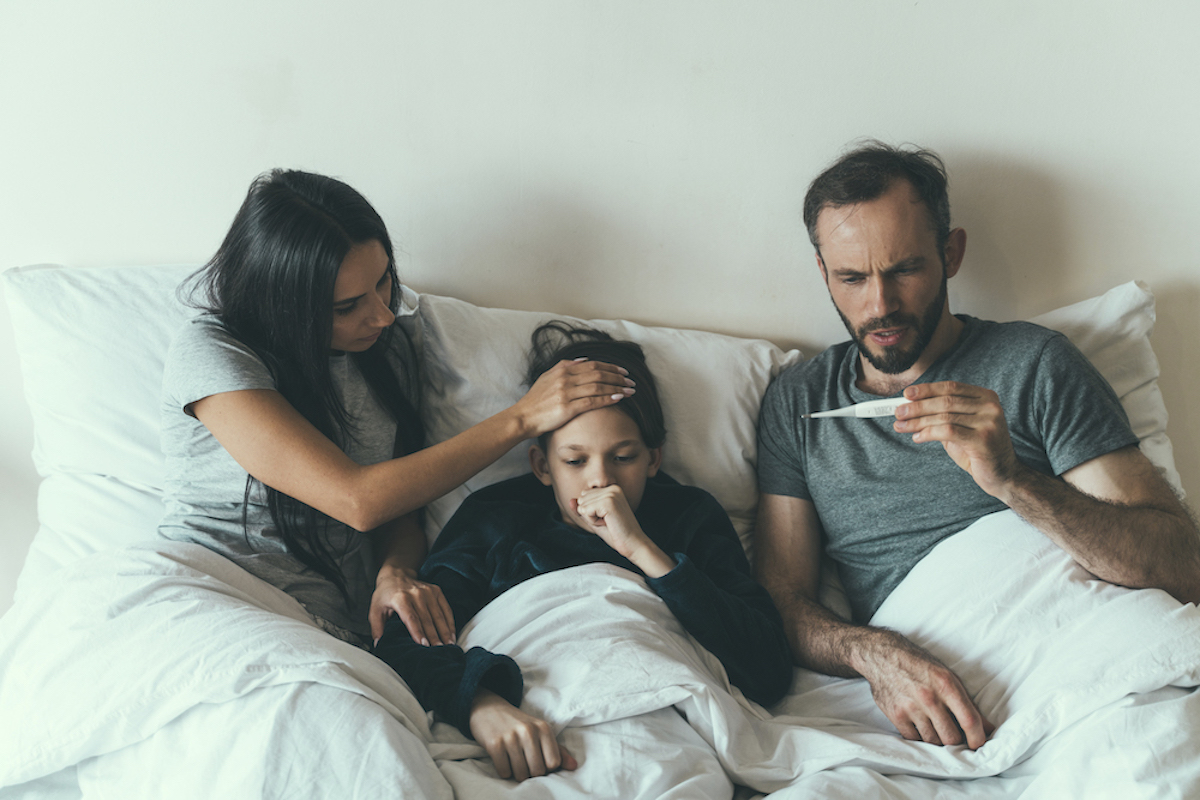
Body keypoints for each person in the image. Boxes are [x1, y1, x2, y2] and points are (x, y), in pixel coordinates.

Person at [754, 142, 1200, 752]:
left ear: (951, 252)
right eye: (852, 278)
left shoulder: (1034, 363)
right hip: (948, 690)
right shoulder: (798, 405)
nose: (879, 305)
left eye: (904, 269)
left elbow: (1182, 566)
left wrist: (1014, 481)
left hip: (1099, 648)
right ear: (823, 272)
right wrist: (872, 653)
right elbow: (780, 599)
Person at [159, 169, 635, 650]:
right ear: (284, 304)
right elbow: (358, 500)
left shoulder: (388, 348)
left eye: (384, 280)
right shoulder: (213, 353)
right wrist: (523, 418)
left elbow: (399, 507)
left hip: (330, 627)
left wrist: (395, 572)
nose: (383, 314)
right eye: (347, 306)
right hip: (212, 595)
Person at [374, 322, 794, 782]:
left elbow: (767, 666)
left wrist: (642, 550)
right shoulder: (495, 517)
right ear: (542, 465)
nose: (600, 480)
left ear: (654, 458)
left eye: (624, 457)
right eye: (575, 461)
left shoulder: (688, 516)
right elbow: (406, 641)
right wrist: (480, 703)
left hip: (659, 718)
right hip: (533, 723)